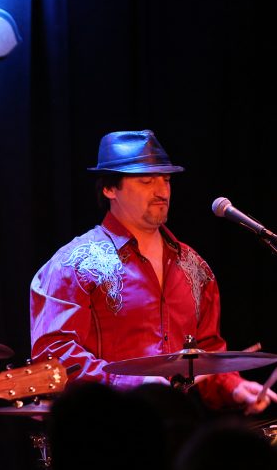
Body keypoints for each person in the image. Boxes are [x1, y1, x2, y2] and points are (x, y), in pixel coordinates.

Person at [30, 129, 275, 412]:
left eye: (166, 180)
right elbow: (54, 355)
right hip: (105, 426)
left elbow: (207, 353)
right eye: (146, 181)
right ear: (110, 189)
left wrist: (233, 387)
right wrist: (130, 383)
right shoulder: (73, 264)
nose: (162, 191)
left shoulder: (195, 267)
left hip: (176, 427)